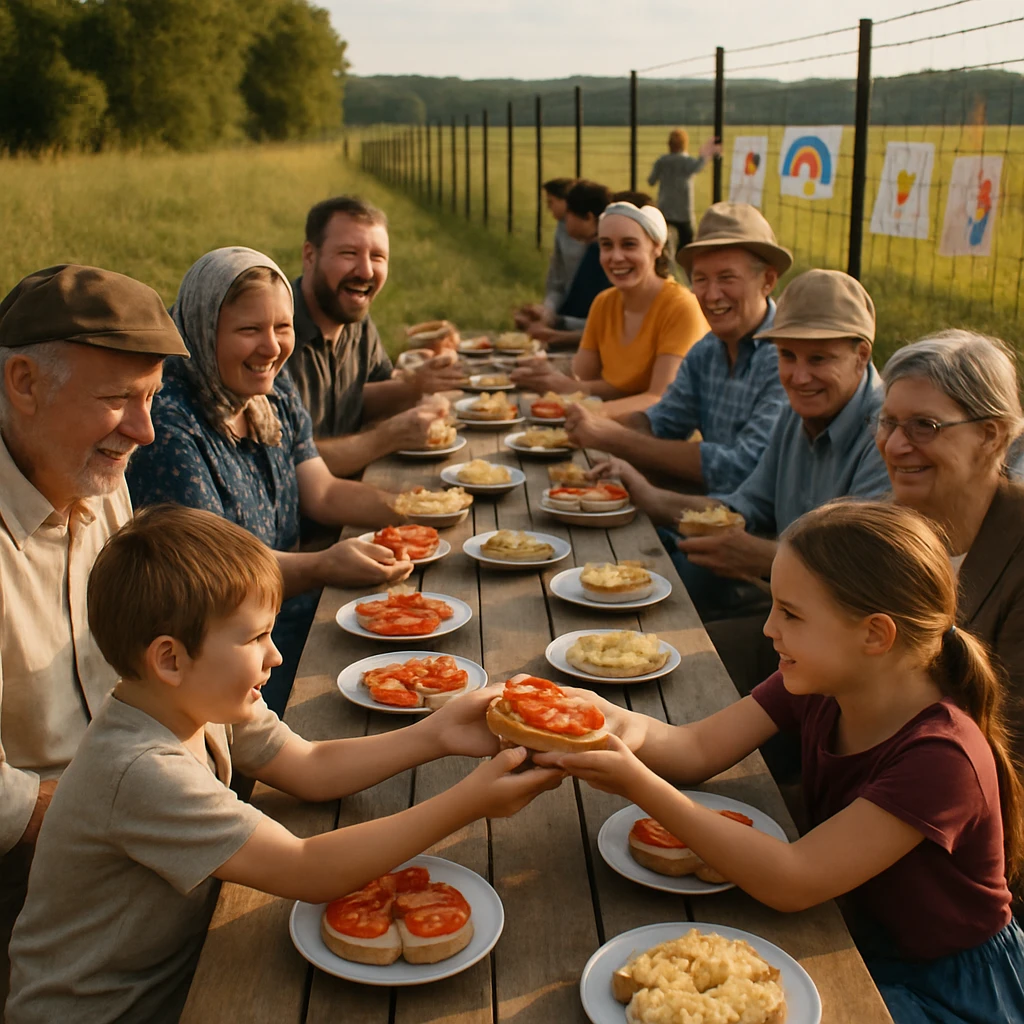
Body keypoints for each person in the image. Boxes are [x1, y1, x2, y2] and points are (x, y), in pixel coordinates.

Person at [6, 505, 564, 1024]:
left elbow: (310, 766)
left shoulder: (192, 701)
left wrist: (436, 733)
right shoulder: (140, 769)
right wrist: (471, 801)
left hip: (178, 969)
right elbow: (307, 869)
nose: (274, 656)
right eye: (256, 637)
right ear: (170, 658)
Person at [537, 500, 1024, 1024]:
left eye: (790, 613)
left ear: (874, 635)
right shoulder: (823, 679)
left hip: (941, 987)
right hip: (847, 932)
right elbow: (695, 749)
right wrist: (589, 714)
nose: (770, 627)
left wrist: (638, 785)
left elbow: (792, 881)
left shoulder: (941, 756)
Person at [0, 264, 188, 999]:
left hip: (133, 815)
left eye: (152, 399)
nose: (145, 431)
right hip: (27, 881)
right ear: (24, 382)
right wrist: (85, 811)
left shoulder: (89, 470)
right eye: (119, 400)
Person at [127, 247, 411, 716]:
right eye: (248, 330)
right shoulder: (169, 428)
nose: (272, 347)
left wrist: (414, 509)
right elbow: (213, 576)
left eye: (282, 328)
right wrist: (322, 565)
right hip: (222, 657)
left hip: (284, 616)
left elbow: (321, 492)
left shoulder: (271, 392)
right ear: (201, 329)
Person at [596, 268, 890, 620]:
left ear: (861, 355)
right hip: (794, 611)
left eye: (818, 359)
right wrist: (650, 497)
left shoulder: (889, 432)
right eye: (787, 356)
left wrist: (767, 558)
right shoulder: (796, 413)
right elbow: (747, 505)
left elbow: (864, 571)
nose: (798, 377)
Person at [565, 203, 790, 495]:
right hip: (706, 515)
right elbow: (661, 421)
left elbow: (741, 469)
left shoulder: (789, 357)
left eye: (726, 278)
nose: (711, 295)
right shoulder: (706, 351)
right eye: (700, 279)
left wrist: (610, 436)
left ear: (768, 281)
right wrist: (593, 427)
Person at [877, 330, 1024, 761]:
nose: (896, 445)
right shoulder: (884, 532)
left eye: (925, 426)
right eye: (888, 422)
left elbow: (1011, 743)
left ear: (991, 436)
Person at [286, 196, 465, 478]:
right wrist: (385, 438)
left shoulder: (354, 318)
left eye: (377, 257)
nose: (366, 271)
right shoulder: (274, 335)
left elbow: (365, 395)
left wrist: (415, 385)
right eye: (348, 253)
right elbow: (286, 462)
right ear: (310, 256)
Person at [511, 201, 708, 418]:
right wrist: (548, 372)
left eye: (629, 245)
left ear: (656, 247)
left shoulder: (680, 307)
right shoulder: (604, 303)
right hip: (614, 431)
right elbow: (583, 378)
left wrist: (583, 411)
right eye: (606, 245)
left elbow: (660, 398)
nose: (616, 257)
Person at [510, 179, 613, 349]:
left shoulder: (605, 259)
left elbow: (610, 327)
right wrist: (547, 314)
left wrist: (557, 326)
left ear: (588, 217)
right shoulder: (589, 247)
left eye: (568, 216)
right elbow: (556, 284)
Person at [513, 177, 586, 330]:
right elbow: (556, 282)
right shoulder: (561, 229)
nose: (548, 208)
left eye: (551, 202)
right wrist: (547, 311)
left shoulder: (599, 249)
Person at [647, 129, 722, 265]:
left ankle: (665, 265)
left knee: (663, 242)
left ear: (669, 144)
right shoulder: (686, 162)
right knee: (687, 245)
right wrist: (705, 154)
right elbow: (699, 165)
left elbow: (651, 181)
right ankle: (686, 268)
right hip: (683, 211)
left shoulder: (662, 161)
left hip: (665, 209)